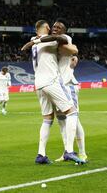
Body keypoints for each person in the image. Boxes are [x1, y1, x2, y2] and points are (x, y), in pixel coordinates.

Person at [21, 20, 83, 164]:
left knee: (47, 119)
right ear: (48, 28)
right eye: (52, 27)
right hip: (51, 81)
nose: (54, 30)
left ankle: (41, 154)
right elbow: (73, 49)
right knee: (72, 112)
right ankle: (69, 151)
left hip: (38, 84)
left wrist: (34, 42)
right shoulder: (52, 40)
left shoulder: (34, 40)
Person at [50, 19, 87, 163]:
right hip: (56, 86)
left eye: (59, 27)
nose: (55, 28)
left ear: (64, 30)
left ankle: (82, 152)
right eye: (54, 26)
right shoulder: (53, 43)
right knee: (61, 122)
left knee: (74, 119)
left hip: (68, 84)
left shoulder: (66, 39)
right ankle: (66, 151)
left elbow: (73, 50)